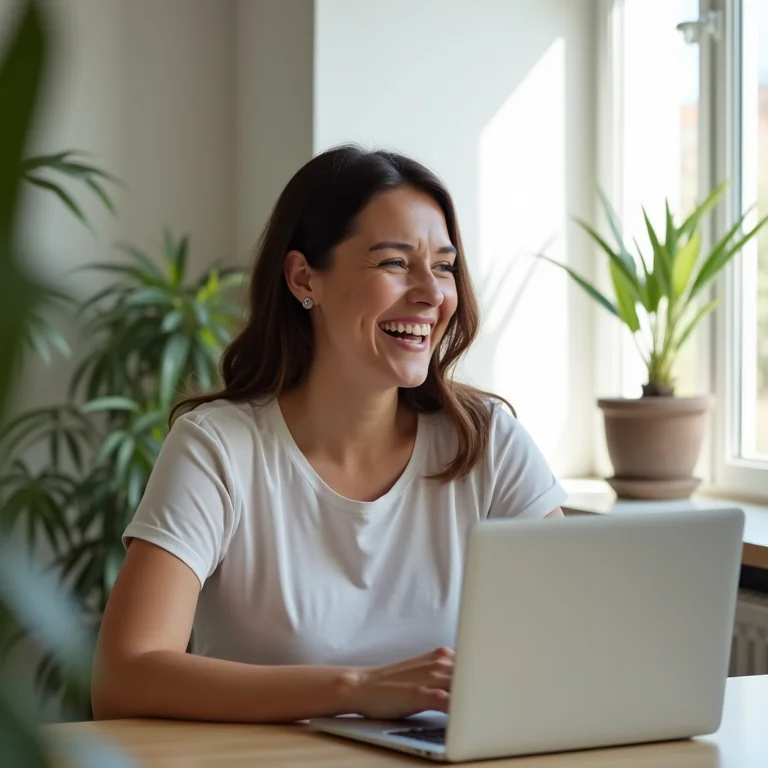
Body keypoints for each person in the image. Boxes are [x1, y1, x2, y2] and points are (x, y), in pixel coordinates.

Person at [91, 145, 566, 724]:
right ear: (302, 278)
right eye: (395, 263)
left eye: (443, 266)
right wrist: (357, 688)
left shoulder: (488, 443)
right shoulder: (217, 449)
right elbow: (124, 675)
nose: (432, 293)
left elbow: (570, 650)